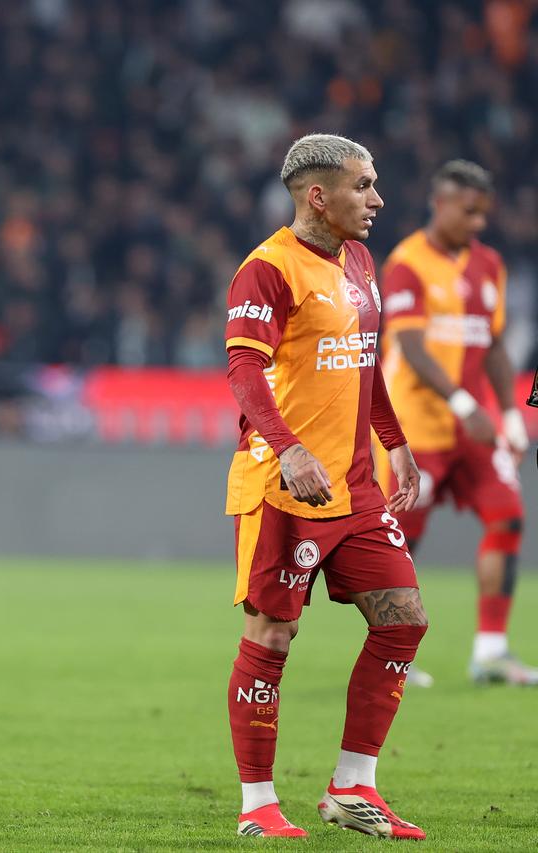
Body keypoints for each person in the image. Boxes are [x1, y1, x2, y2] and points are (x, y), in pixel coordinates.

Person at [222, 134, 427, 839]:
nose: (377, 199)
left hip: (356, 486)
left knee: (404, 617)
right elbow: (245, 372)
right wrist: (288, 450)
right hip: (284, 489)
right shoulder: (267, 270)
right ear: (319, 194)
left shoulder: (361, 260)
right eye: (363, 185)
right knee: (272, 636)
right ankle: (257, 804)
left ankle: (353, 787)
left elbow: (364, 365)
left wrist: (396, 445)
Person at [377, 160, 536, 686]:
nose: (477, 224)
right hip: (415, 427)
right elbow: (413, 350)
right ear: (439, 204)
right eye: (469, 212)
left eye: (483, 214)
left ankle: (489, 652)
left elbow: (492, 344)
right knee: (401, 543)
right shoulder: (406, 263)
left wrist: (512, 411)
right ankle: (392, 656)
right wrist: (469, 407)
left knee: (508, 516)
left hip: (473, 426)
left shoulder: (489, 264)